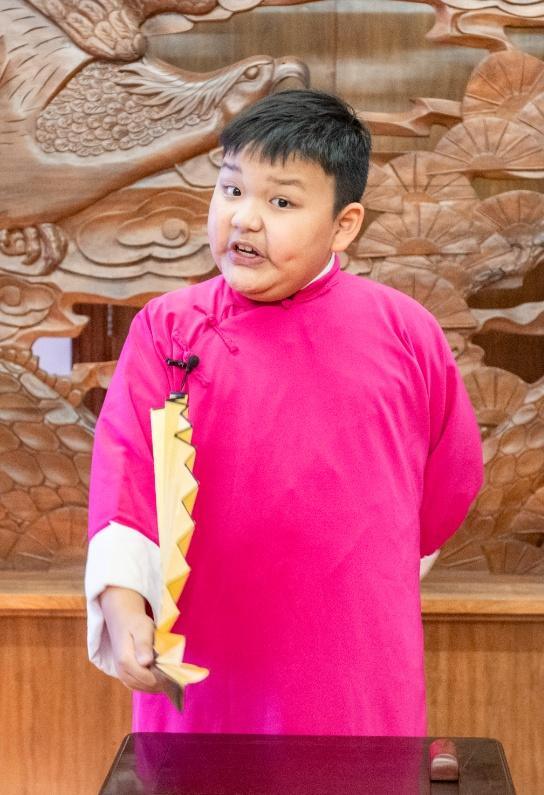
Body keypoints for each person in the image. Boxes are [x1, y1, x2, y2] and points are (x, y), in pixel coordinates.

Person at [85, 89, 483, 735]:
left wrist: (369, 574)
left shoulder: (406, 331)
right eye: (231, 190)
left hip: (356, 658)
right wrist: (125, 607)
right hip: (204, 658)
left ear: (344, 224)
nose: (244, 219)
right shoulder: (167, 328)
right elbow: (124, 474)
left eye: (281, 202)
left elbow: (451, 479)